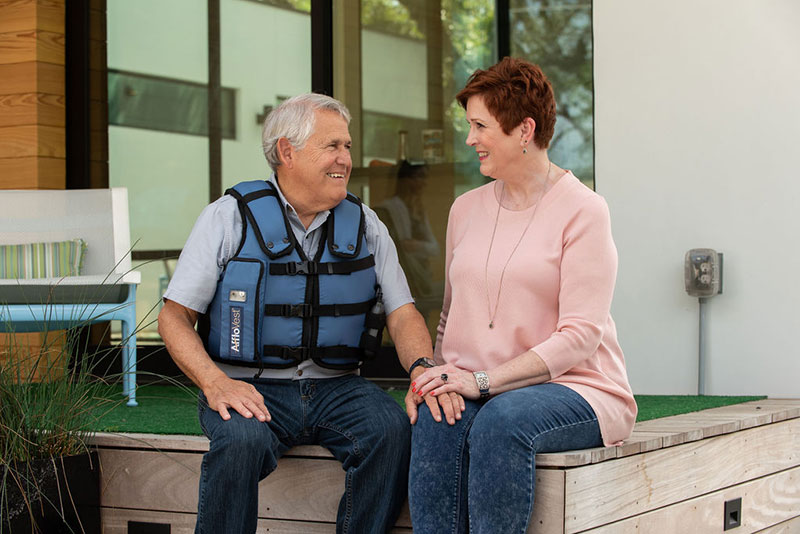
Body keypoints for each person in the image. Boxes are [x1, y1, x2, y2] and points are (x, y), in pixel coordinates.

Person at [157, 93, 462, 534]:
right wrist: (215, 382)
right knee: (240, 440)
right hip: (248, 385)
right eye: (332, 146)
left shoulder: (366, 224)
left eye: (348, 146)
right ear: (287, 151)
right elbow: (174, 317)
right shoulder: (228, 219)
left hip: (338, 388)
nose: (346, 159)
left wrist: (421, 369)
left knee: (391, 431)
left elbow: (403, 312)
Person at [407, 57, 637, 533]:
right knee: (435, 419)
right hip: (478, 385)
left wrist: (485, 382)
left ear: (524, 130)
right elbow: (450, 316)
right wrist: (435, 376)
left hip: (576, 389)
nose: (469, 139)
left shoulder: (584, 211)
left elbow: (580, 336)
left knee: (502, 421)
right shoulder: (465, 209)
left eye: (479, 126)